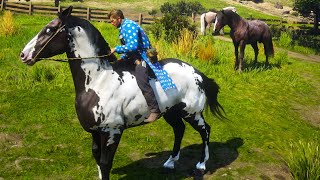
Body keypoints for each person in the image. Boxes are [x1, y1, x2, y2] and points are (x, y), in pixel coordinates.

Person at [108, 9, 161, 123]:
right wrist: (122, 57)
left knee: (142, 80)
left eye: (112, 21)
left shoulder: (129, 26)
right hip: (133, 55)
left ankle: (155, 110)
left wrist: (116, 49)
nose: (111, 23)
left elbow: (133, 46)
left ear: (119, 19)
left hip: (143, 57)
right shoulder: (123, 27)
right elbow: (129, 47)